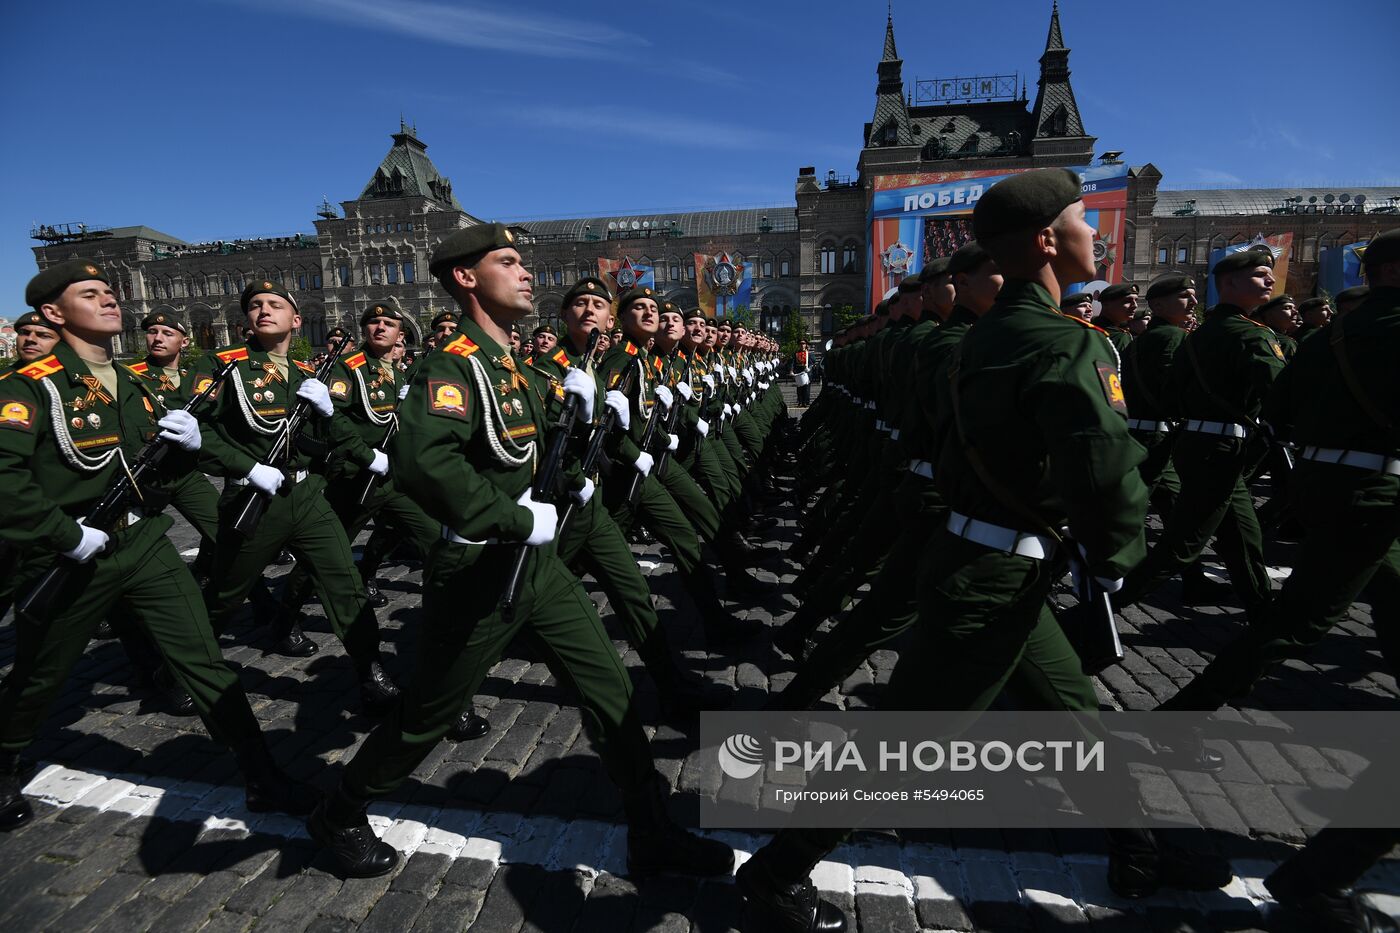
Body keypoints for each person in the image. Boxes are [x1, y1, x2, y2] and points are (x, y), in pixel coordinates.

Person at [738, 169, 1231, 931]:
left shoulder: (980, 340)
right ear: (1045, 241)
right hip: (992, 575)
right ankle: (774, 874)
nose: (1097, 233)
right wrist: (1114, 556)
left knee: (1074, 714)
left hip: (990, 560)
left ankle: (1139, 844)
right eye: (1083, 220)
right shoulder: (1065, 343)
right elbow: (1106, 474)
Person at [306, 223, 733, 882]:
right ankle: (340, 808)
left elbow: (539, 462)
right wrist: (509, 515)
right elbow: (423, 461)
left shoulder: (511, 365)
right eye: (509, 261)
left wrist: (584, 442)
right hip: (479, 569)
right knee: (429, 715)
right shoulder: (451, 364)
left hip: (536, 566)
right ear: (467, 278)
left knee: (610, 686)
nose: (527, 271)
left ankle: (651, 829)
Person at [0, 259, 316, 831]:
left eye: (111, 292)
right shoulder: (29, 386)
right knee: (40, 673)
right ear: (52, 312)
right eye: (90, 293)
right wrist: (64, 535)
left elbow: (159, 471)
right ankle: (4, 757)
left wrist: (198, 449)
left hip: (141, 542)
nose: (109, 300)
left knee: (204, 659)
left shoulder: (135, 384)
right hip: (69, 552)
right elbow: (5, 479)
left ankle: (261, 774)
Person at [196, 279, 400, 708]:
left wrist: (328, 414)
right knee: (226, 594)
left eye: (274, 304)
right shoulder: (224, 365)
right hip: (252, 499)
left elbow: (330, 435)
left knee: (345, 583)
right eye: (254, 305)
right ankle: (185, 663)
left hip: (307, 497)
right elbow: (198, 431)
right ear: (245, 320)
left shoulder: (308, 375)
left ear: (296, 319)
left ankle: (369, 667)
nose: (263, 310)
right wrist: (246, 468)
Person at [1112, 246, 1286, 626]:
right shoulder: (1243, 334)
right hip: (1213, 446)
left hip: (1195, 441)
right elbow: (1282, 395)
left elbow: (1172, 394)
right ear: (1229, 284)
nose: (1270, 280)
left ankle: (1260, 608)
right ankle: (1098, 610)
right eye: (1260, 275)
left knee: (1242, 532)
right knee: (1182, 541)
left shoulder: (1195, 336)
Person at [1092, 282, 1138, 355]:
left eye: (1136, 300)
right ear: (1106, 304)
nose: (1135, 305)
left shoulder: (1089, 327)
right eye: (1127, 301)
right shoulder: (1120, 337)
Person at [792, 339, 812, 406]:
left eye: (803, 343)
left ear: (806, 345)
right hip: (798, 371)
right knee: (799, 387)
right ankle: (800, 401)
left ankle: (806, 401)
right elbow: (793, 363)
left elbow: (813, 362)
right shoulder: (796, 353)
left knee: (806, 388)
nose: (802, 345)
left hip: (806, 371)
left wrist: (809, 368)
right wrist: (791, 370)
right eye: (800, 344)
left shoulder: (808, 353)